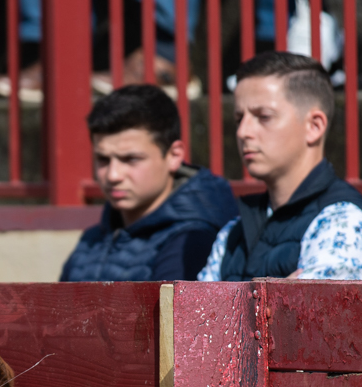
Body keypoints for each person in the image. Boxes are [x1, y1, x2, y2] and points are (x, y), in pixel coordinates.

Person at [198, 52, 362, 281]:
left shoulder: (345, 223)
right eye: (239, 118)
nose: (243, 132)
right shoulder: (233, 232)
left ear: (314, 126)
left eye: (264, 116)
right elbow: (195, 315)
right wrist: (276, 300)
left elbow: (310, 316)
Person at [59, 84, 236, 282]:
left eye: (131, 159)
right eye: (103, 159)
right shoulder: (91, 240)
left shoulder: (193, 240)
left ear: (174, 156)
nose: (113, 175)